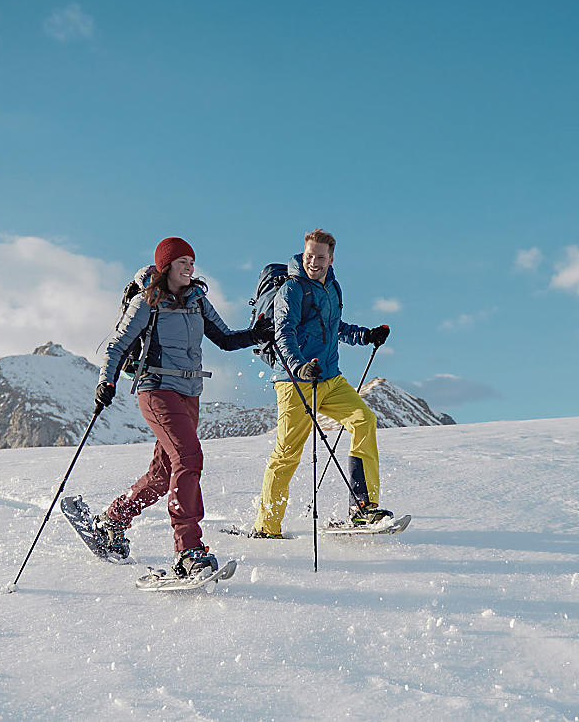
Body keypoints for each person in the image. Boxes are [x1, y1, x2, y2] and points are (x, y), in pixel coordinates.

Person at [94, 236, 265, 577]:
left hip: (190, 393)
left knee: (163, 475)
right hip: (156, 390)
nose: (190, 266)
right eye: (183, 260)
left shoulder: (198, 301)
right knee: (188, 458)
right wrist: (106, 381)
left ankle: (112, 519)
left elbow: (226, 339)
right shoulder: (147, 301)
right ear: (166, 265)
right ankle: (188, 549)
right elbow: (117, 344)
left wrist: (258, 332)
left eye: (192, 261)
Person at [252, 228, 392, 538]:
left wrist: (365, 335)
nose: (313, 262)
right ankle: (266, 527)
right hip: (295, 381)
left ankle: (363, 509)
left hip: (330, 378)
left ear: (331, 258)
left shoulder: (333, 287)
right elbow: (283, 333)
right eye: (308, 256)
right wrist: (299, 366)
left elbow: (334, 326)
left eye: (320, 257)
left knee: (364, 420)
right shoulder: (291, 289)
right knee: (287, 452)